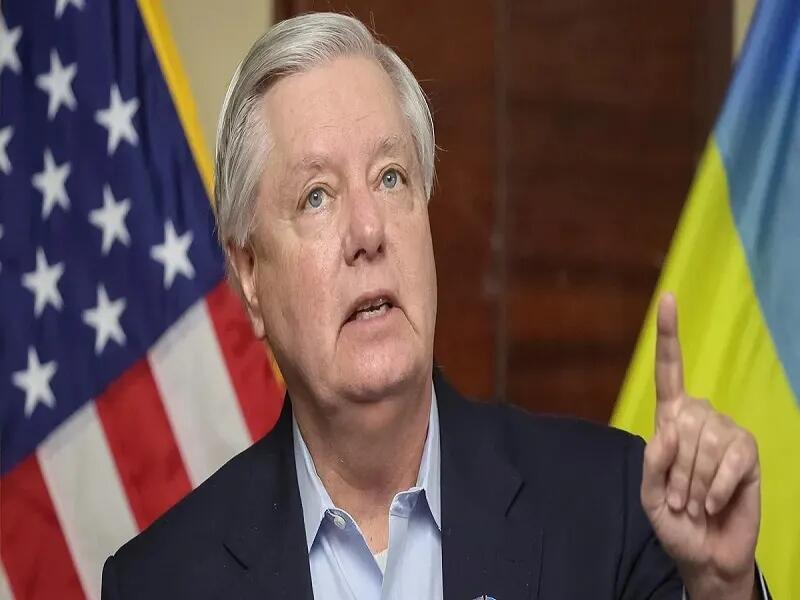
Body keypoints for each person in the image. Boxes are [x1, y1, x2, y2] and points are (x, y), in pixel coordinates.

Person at [101, 12, 769, 599]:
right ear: (249, 273)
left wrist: (721, 589)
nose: (368, 232)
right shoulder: (159, 583)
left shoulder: (610, 506)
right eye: (316, 196)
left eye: (391, 178)